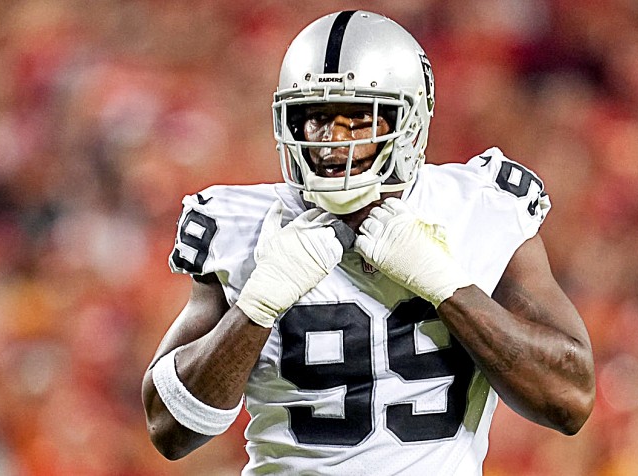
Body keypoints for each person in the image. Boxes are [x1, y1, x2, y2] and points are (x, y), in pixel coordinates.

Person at [142, 10, 595, 475]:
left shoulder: (480, 207)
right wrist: (256, 307)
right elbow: (170, 430)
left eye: (358, 119)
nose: (332, 142)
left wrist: (448, 287)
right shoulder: (242, 224)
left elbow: (569, 401)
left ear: (411, 123)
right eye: (315, 118)